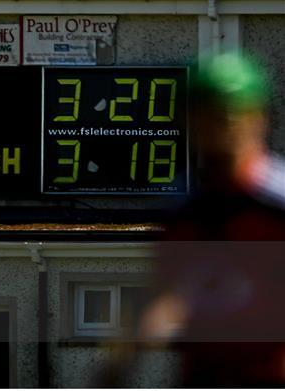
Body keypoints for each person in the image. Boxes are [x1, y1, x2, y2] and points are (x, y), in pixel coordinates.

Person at [140, 53, 285, 386]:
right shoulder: (183, 213)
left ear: (258, 119)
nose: (218, 129)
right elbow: (170, 294)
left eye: (229, 117)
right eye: (204, 116)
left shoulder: (277, 207)